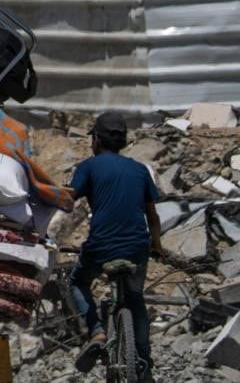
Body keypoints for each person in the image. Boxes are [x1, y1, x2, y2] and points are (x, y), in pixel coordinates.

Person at [69, 111, 162, 381]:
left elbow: (67, 201)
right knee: (136, 299)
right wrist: (157, 246)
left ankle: (97, 331)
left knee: (77, 282)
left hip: (101, 246)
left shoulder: (88, 166)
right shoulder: (139, 169)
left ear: (96, 140)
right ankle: (144, 364)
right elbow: (152, 217)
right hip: (137, 246)